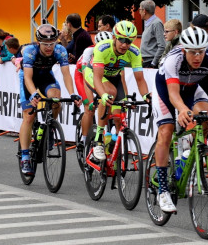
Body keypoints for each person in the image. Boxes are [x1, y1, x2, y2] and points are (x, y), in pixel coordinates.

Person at [152, 26, 208, 213]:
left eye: (201, 51)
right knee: (166, 131)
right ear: (184, 50)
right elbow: (173, 94)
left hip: (192, 89)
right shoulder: (173, 60)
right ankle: (163, 191)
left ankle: (190, 152)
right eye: (193, 52)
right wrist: (182, 110)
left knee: (206, 116)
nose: (198, 56)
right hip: (166, 91)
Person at [18, 24, 78, 178]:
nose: (49, 47)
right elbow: (27, 77)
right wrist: (33, 94)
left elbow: (66, 75)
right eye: (45, 44)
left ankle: (50, 127)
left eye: (52, 43)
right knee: (29, 115)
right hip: (29, 79)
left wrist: (72, 94)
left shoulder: (60, 50)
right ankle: (25, 157)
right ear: (39, 42)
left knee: (56, 98)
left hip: (45, 78)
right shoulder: (30, 52)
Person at [88, 20, 151, 161]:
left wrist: (147, 95)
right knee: (109, 93)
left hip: (114, 77)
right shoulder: (102, 48)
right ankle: (98, 140)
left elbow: (140, 79)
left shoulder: (134, 52)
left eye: (129, 41)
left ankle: (113, 152)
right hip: (94, 74)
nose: (124, 44)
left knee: (119, 117)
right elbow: (98, 78)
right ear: (114, 38)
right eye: (121, 40)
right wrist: (103, 95)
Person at [74, 31, 114, 147]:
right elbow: (88, 77)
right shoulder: (89, 51)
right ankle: (85, 141)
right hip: (82, 75)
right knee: (89, 108)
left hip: (99, 73)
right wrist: (91, 101)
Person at [138, 0, 166, 68]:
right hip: (147, 61)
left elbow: (162, 45)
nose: (139, 12)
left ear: (144, 11)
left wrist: (154, 63)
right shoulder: (149, 23)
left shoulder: (156, 23)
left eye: (140, 9)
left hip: (151, 62)